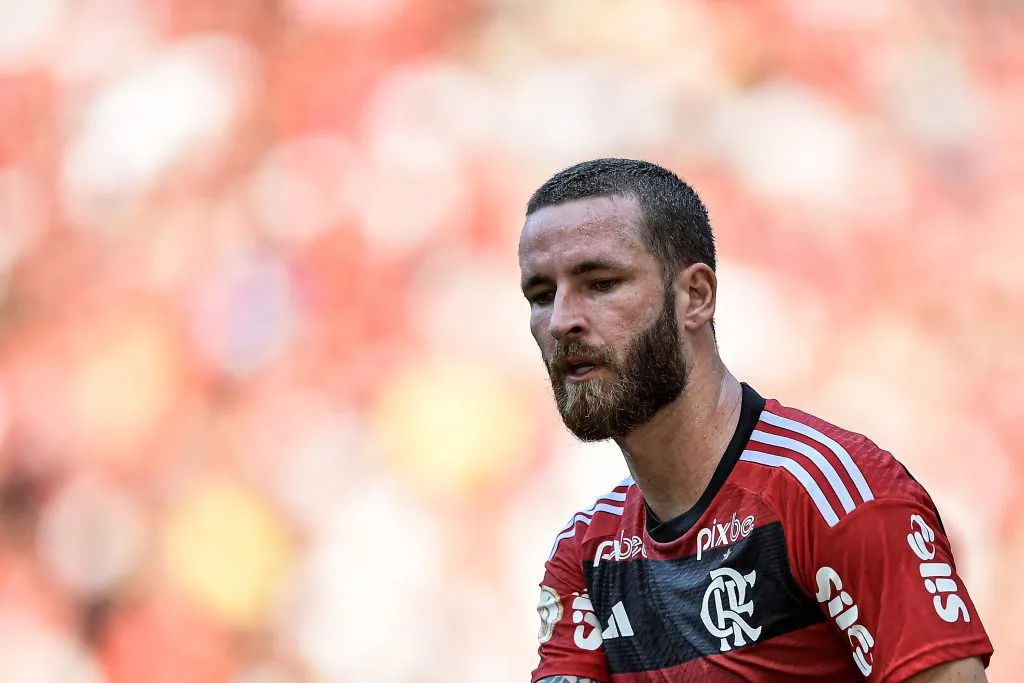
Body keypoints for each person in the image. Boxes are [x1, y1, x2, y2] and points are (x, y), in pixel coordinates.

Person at [518, 159, 993, 683]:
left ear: (695, 297)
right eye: (541, 296)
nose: (561, 321)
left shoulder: (836, 496)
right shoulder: (588, 550)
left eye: (602, 283)